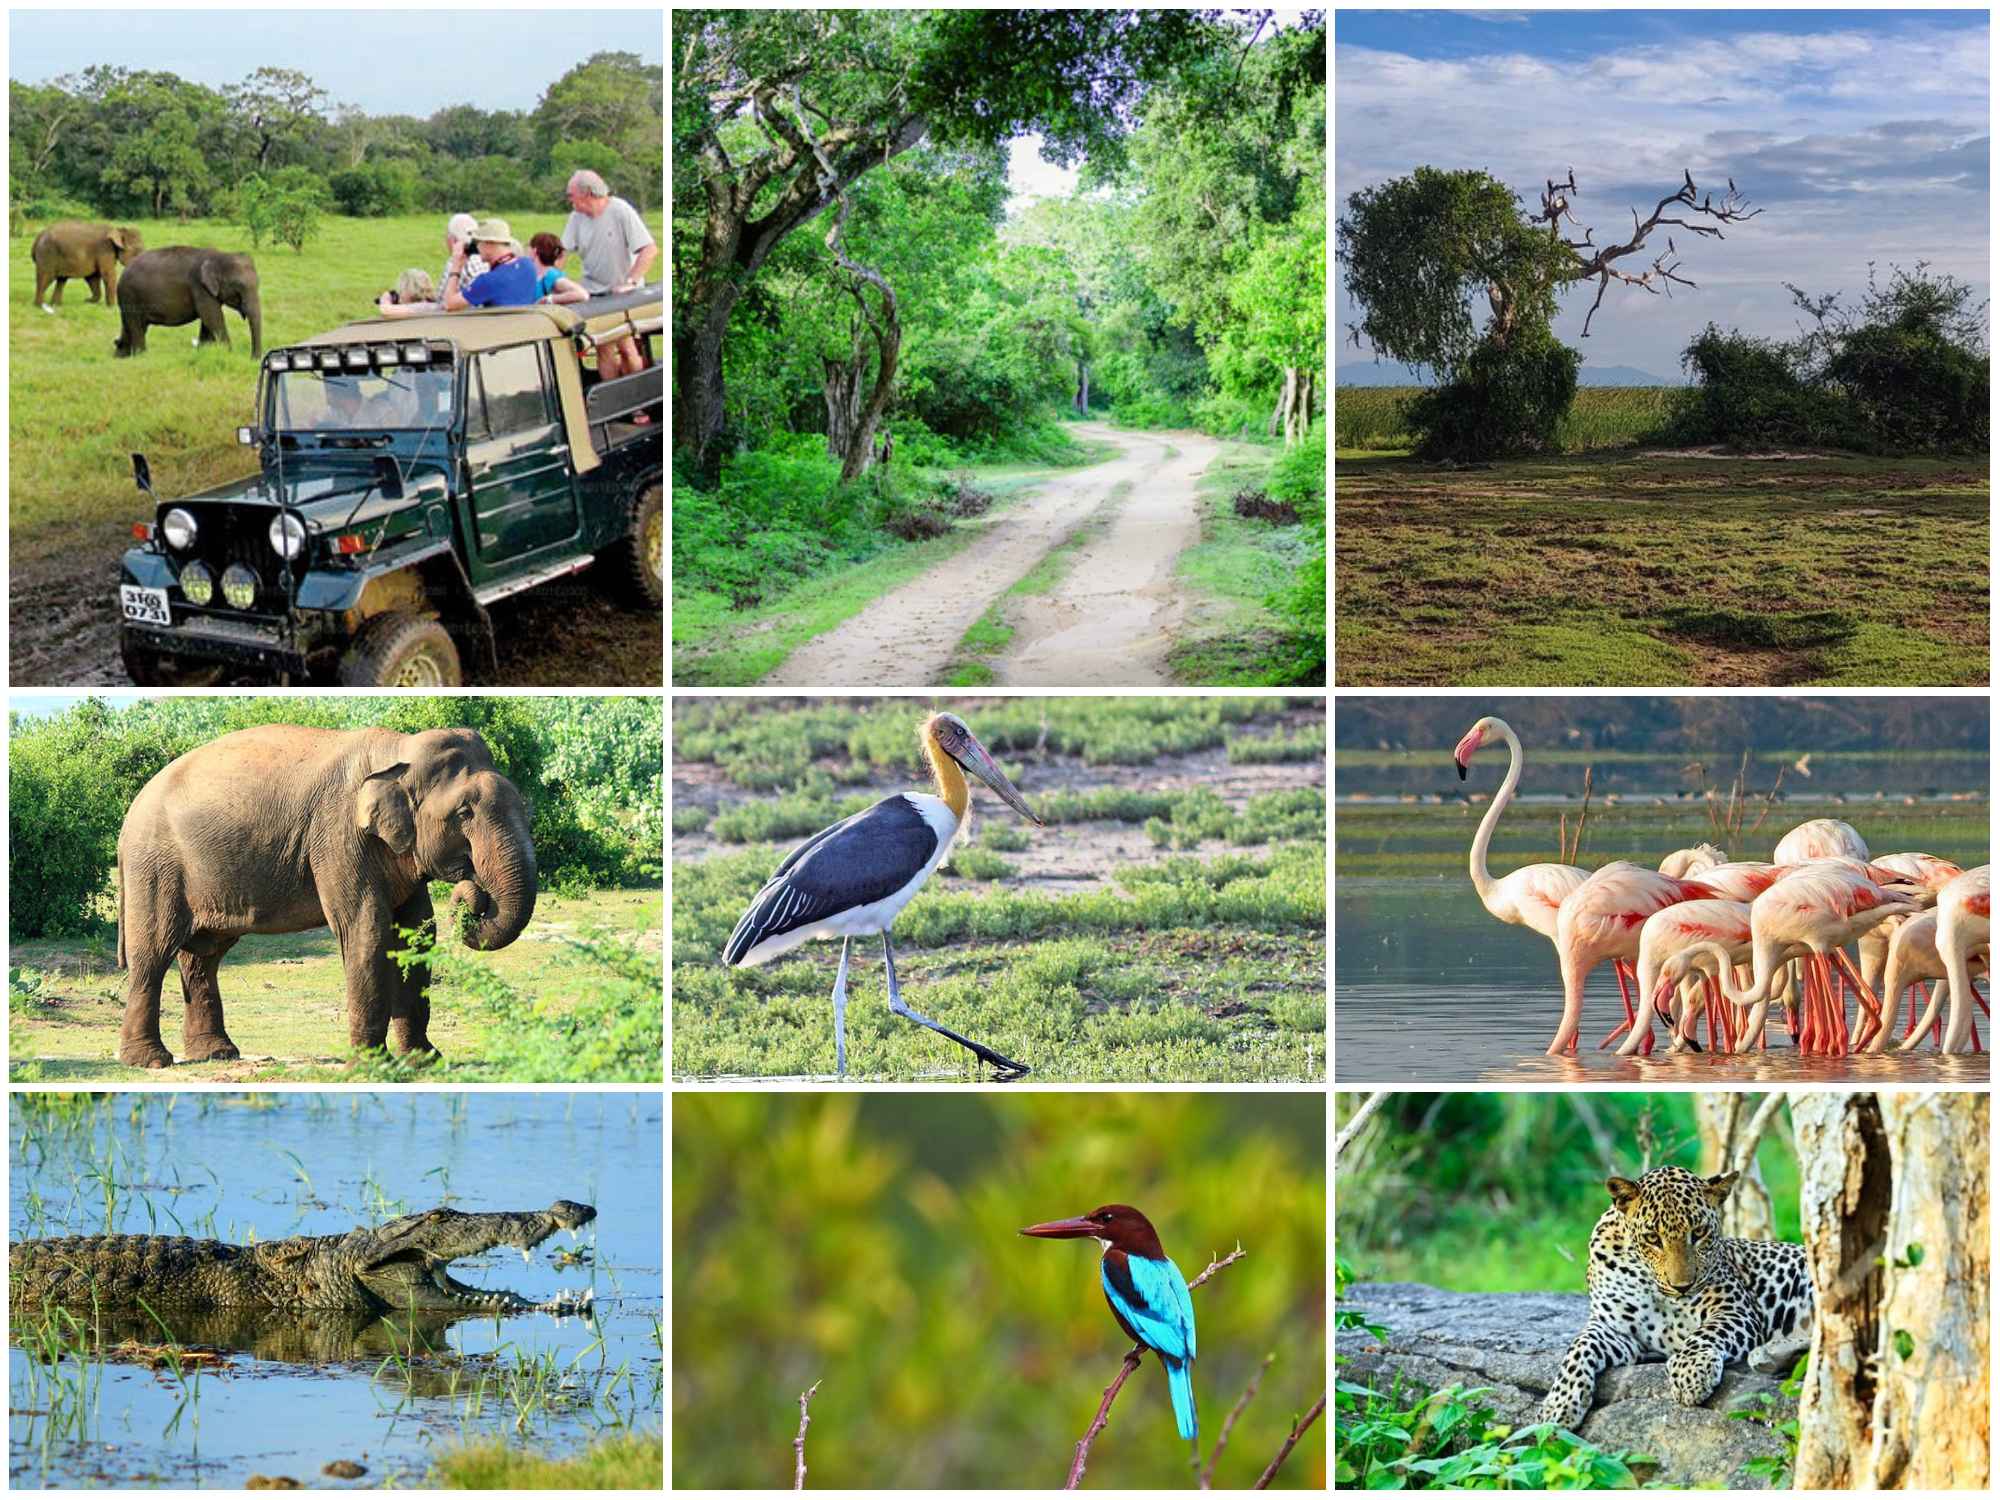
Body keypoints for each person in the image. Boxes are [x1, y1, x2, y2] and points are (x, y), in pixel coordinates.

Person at [561, 169, 656, 383]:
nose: (568, 199)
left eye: (571, 194)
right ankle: (614, 405)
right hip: (595, 292)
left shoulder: (620, 211)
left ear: (587, 193)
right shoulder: (576, 217)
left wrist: (630, 282)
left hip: (623, 293)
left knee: (626, 347)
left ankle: (637, 403)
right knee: (604, 348)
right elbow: (562, 252)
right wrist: (551, 278)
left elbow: (649, 250)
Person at [443, 219, 538, 309]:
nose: (476, 247)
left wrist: (456, 266)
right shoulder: (528, 265)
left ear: (488, 244)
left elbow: (449, 304)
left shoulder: (488, 281)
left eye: (477, 242)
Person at [528, 232, 588, 306]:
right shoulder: (527, 271)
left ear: (535, 251)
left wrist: (548, 299)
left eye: (529, 248)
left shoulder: (551, 276)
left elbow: (582, 294)